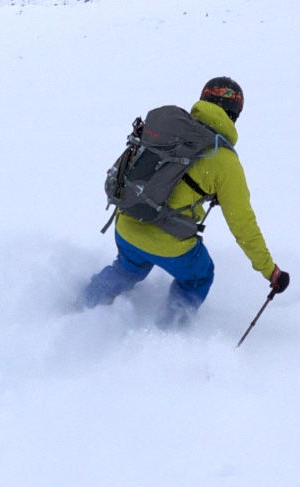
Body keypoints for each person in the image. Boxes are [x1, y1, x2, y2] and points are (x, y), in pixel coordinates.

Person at [81, 76, 288, 322]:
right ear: (234, 114)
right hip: (170, 245)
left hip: (127, 225)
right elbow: (243, 225)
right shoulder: (224, 161)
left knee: (128, 268)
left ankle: (82, 304)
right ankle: (169, 337)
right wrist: (270, 270)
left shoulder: (169, 132)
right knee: (199, 276)